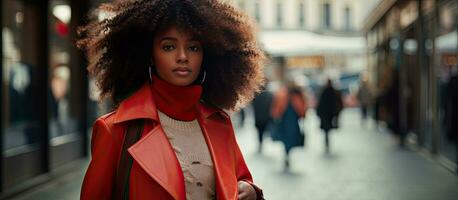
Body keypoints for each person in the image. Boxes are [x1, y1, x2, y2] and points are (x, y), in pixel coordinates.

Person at [78, 1, 265, 199]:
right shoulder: (116, 130)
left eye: (193, 48)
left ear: (206, 55)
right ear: (150, 56)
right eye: (168, 47)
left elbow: (240, 180)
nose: (183, 56)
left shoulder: (220, 123)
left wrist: (251, 191)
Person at [270, 83, 307, 171]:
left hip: (288, 120)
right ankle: (287, 153)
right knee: (288, 138)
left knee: (288, 138)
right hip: (288, 120)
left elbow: (276, 106)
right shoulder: (290, 94)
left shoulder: (285, 94)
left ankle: (287, 153)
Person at [316, 79, 341, 153]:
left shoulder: (325, 92)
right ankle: (327, 141)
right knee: (327, 128)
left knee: (326, 129)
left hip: (326, 114)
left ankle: (327, 141)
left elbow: (320, 103)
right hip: (329, 114)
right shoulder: (333, 92)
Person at [251, 86, 273, 153]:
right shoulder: (269, 95)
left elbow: (252, 105)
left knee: (259, 132)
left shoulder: (256, 95)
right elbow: (271, 105)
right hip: (266, 117)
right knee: (264, 130)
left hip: (258, 117)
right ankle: (262, 142)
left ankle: (260, 143)